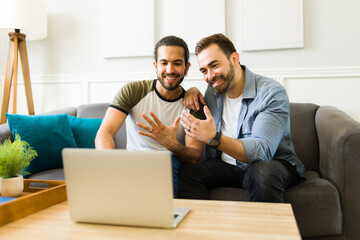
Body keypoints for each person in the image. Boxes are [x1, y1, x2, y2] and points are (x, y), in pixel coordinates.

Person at [179, 33, 305, 202]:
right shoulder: (214, 91)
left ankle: (266, 229)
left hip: (273, 164)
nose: (209, 76)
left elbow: (262, 151)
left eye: (214, 65)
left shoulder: (271, 92)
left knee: (262, 172)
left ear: (235, 58)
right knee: (188, 174)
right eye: (204, 71)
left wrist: (213, 138)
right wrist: (192, 90)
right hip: (230, 168)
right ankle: (199, 228)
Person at [95, 36, 204, 198]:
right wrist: (110, 163)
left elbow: (195, 156)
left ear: (187, 68)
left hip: (170, 161)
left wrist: (171, 144)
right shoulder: (133, 91)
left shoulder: (192, 103)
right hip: (134, 161)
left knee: (166, 161)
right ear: (155, 65)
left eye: (177, 63)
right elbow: (105, 132)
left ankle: (167, 216)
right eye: (164, 62)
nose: (170, 69)